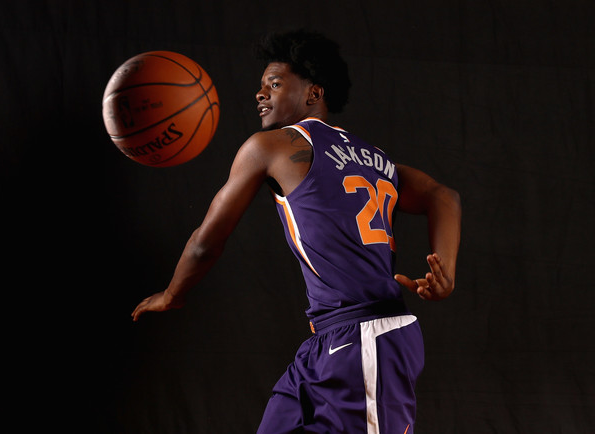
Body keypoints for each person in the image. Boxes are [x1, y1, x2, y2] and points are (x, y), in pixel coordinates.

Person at [131, 29, 461, 433]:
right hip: (327, 342)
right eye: (261, 85)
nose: (260, 93)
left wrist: (172, 295)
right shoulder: (378, 160)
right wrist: (446, 269)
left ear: (313, 93)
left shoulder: (272, 147)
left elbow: (205, 242)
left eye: (274, 83)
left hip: (369, 337)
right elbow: (444, 197)